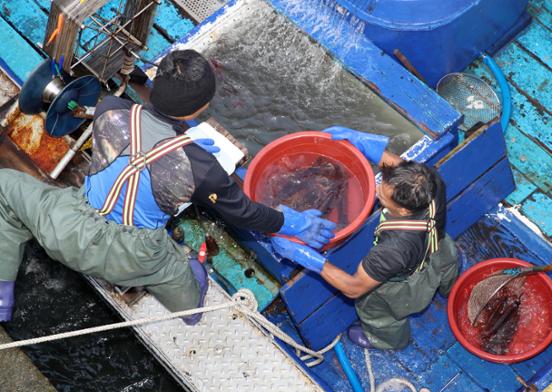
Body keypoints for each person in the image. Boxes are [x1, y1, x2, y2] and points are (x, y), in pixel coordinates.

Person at [0, 50, 335, 324]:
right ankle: (186, 285)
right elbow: (245, 213)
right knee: (189, 304)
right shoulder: (202, 168)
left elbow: (145, 110)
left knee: (4, 187)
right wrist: (292, 222)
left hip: (63, 224)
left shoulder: (108, 109)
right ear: (203, 108)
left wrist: (150, 94)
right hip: (127, 257)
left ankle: (2, 291)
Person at [271, 126, 459, 349]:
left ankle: (389, 340)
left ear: (404, 211)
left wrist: (304, 256)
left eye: (384, 195)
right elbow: (403, 170)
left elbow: (353, 288)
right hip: (438, 246)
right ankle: (452, 286)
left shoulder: (390, 252)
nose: (377, 188)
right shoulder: (429, 182)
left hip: (407, 284)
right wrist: (366, 144)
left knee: (375, 308)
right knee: (447, 261)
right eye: (384, 180)